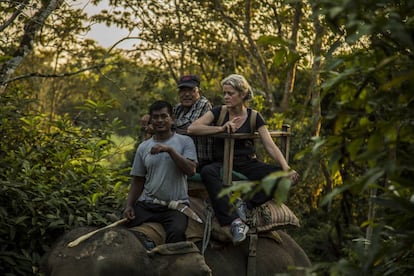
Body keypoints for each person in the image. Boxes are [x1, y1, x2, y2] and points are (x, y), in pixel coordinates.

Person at [187, 74, 300, 244]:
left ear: (242, 94)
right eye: (224, 93)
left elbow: (270, 145)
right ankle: (233, 221)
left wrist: (286, 168)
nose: (226, 97)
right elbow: (193, 128)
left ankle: (247, 206)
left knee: (284, 177)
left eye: (230, 93)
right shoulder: (219, 111)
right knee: (207, 171)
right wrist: (221, 128)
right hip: (223, 162)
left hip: (247, 163)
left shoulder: (254, 116)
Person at [124, 100, 198, 243]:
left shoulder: (185, 141)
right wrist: (129, 205)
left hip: (174, 207)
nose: (160, 120)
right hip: (147, 205)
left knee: (176, 234)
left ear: (172, 119)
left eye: (164, 116)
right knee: (124, 235)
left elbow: (191, 170)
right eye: (156, 117)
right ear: (151, 120)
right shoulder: (143, 147)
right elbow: (138, 180)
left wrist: (170, 150)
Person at [141, 74, 213, 169]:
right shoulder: (179, 107)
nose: (186, 94)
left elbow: (187, 125)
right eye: (183, 90)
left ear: (199, 91)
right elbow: (166, 117)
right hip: (179, 155)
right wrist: (150, 118)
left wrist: (160, 125)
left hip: (200, 159)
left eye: (191, 90)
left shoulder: (203, 104)